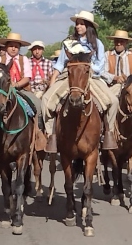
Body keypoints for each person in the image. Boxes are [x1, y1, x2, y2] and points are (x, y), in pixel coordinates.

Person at [41, 11, 119, 152]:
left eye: (81, 24)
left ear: (88, 26)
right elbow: (59, 64)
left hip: (92, 77)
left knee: (113, 101)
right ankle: (50, 135)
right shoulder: (68, 43)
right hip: (69, 76)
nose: (78, 26)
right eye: (77, 24)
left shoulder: (97, 44)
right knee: (46, 99)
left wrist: (87, 68)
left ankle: (109, 133)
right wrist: (53, 80)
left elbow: (100, 65)